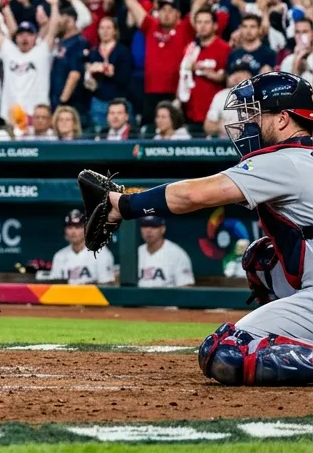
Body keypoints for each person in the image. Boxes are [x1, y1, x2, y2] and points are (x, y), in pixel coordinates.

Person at [92, 71, 313, 385]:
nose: (249, 123)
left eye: (256, 114)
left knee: (226, 352)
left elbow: (191, 195)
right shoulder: (302, 158)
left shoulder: (284, 160)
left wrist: (123, 205)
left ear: (282, 120)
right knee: (263, 258)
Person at [0, 0, 56, 132]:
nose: (24, 37)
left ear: (35, 37)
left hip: (37, 118)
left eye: (28, 34)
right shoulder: (9, 51)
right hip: (11, 117)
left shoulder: (41, 52)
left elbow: (53, 31)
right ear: (16, 37)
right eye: (21, 34)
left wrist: (55, 5)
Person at [49, 209, 115, 285]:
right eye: (70, 227)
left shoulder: (101, 253)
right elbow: (53, 286)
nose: (73, 231)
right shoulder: (59, 256)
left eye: (77, 227)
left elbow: (107, 285)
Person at [137, 217, 195, 288]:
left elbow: (186, 286)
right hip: (138, 298)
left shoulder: (177, 253)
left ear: (162, 229)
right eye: (145, 226)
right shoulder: (136, 252)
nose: (148, 230)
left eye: (154, 226)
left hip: (167, 298)